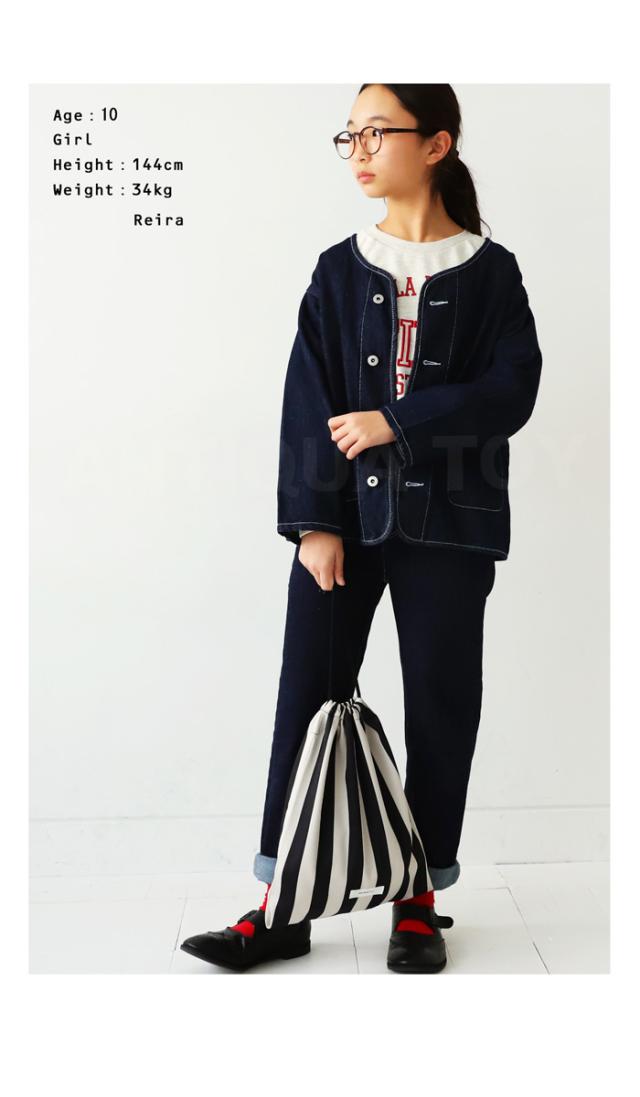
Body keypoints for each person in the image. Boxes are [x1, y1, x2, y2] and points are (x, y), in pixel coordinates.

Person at [181, 83, 543, 974]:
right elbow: (307, 394)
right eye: (350, 134)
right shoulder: (339, 270)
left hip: (452, 527)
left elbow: (511, 392)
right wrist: (313, 522)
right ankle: (284, 902)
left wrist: (397, 421)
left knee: (441, 705)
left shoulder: (492, 273)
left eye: (377, 131)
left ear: (437, 143)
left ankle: (418, 901)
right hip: (342, 523)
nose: (359, 149)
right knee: (307, 696)